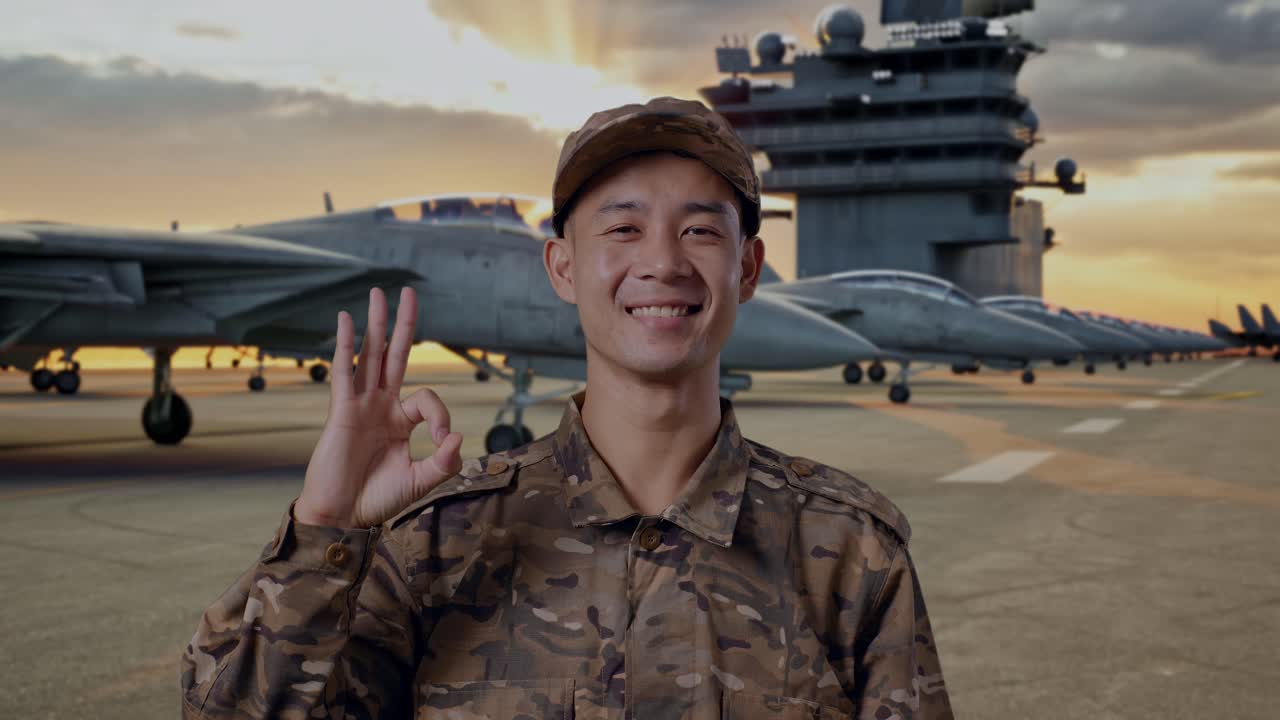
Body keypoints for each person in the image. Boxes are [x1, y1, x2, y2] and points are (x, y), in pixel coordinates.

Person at [180, 97, 953, 719]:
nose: (661, 262)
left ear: (747, 267)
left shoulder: (851, 552)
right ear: (562, 266)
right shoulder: (435, 545)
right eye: (623, 228)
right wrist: (324, 532)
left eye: (699, 230)